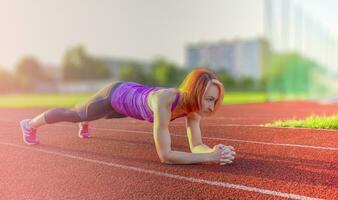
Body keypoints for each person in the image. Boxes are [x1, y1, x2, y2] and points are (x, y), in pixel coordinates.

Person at [20, 67, 236, 165]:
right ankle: (30, 124)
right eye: (208, 99)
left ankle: (89, 118)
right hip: (114, 95)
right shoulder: (165, 102)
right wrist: (209, 158)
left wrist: (215, 151)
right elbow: (166, 156)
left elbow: (196, 145)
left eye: (215, 100)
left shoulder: (193, 110)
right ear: (196, 93)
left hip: (128, 105)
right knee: (75, 113)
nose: (211, 106)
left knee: (105, 116)